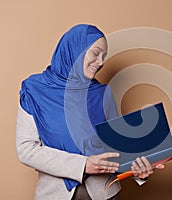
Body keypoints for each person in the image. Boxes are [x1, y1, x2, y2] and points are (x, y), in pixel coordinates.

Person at [16, 24, 164, 200]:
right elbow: (26, 149)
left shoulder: (103, 94)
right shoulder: (35, 90)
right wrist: (83, 165)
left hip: (106, 193)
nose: (101, 62)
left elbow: (117, 148)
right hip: (55, 195)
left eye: (104, 56)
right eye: (95, 53)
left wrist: (138, 172)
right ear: (75, 50)